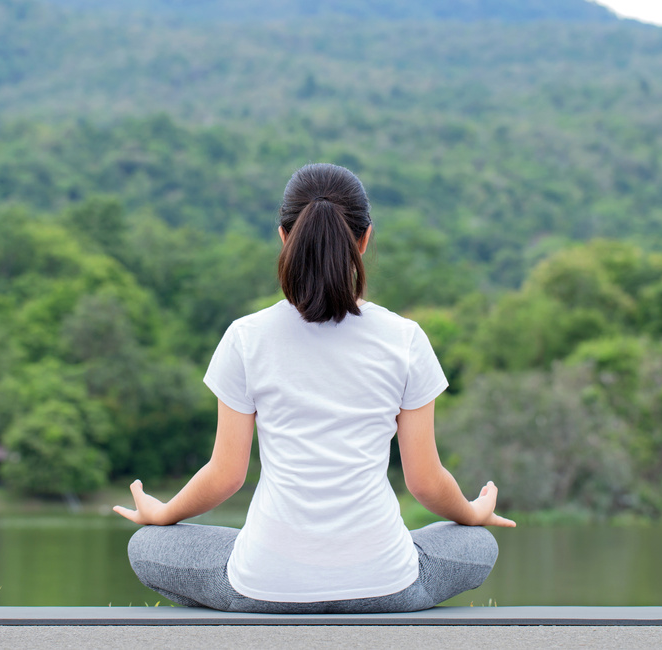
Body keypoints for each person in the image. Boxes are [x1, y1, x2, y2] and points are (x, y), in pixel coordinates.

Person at [114, 163, 515, 613]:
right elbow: (424, 483)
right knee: (477, 543)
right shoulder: (405, 338)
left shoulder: (247, 336)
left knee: (146, 546)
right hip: (386, 586)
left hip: (265, 587)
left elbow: (226, 476)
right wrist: (471, 513)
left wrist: (163, 513)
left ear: (285, 237)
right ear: (364, 241)